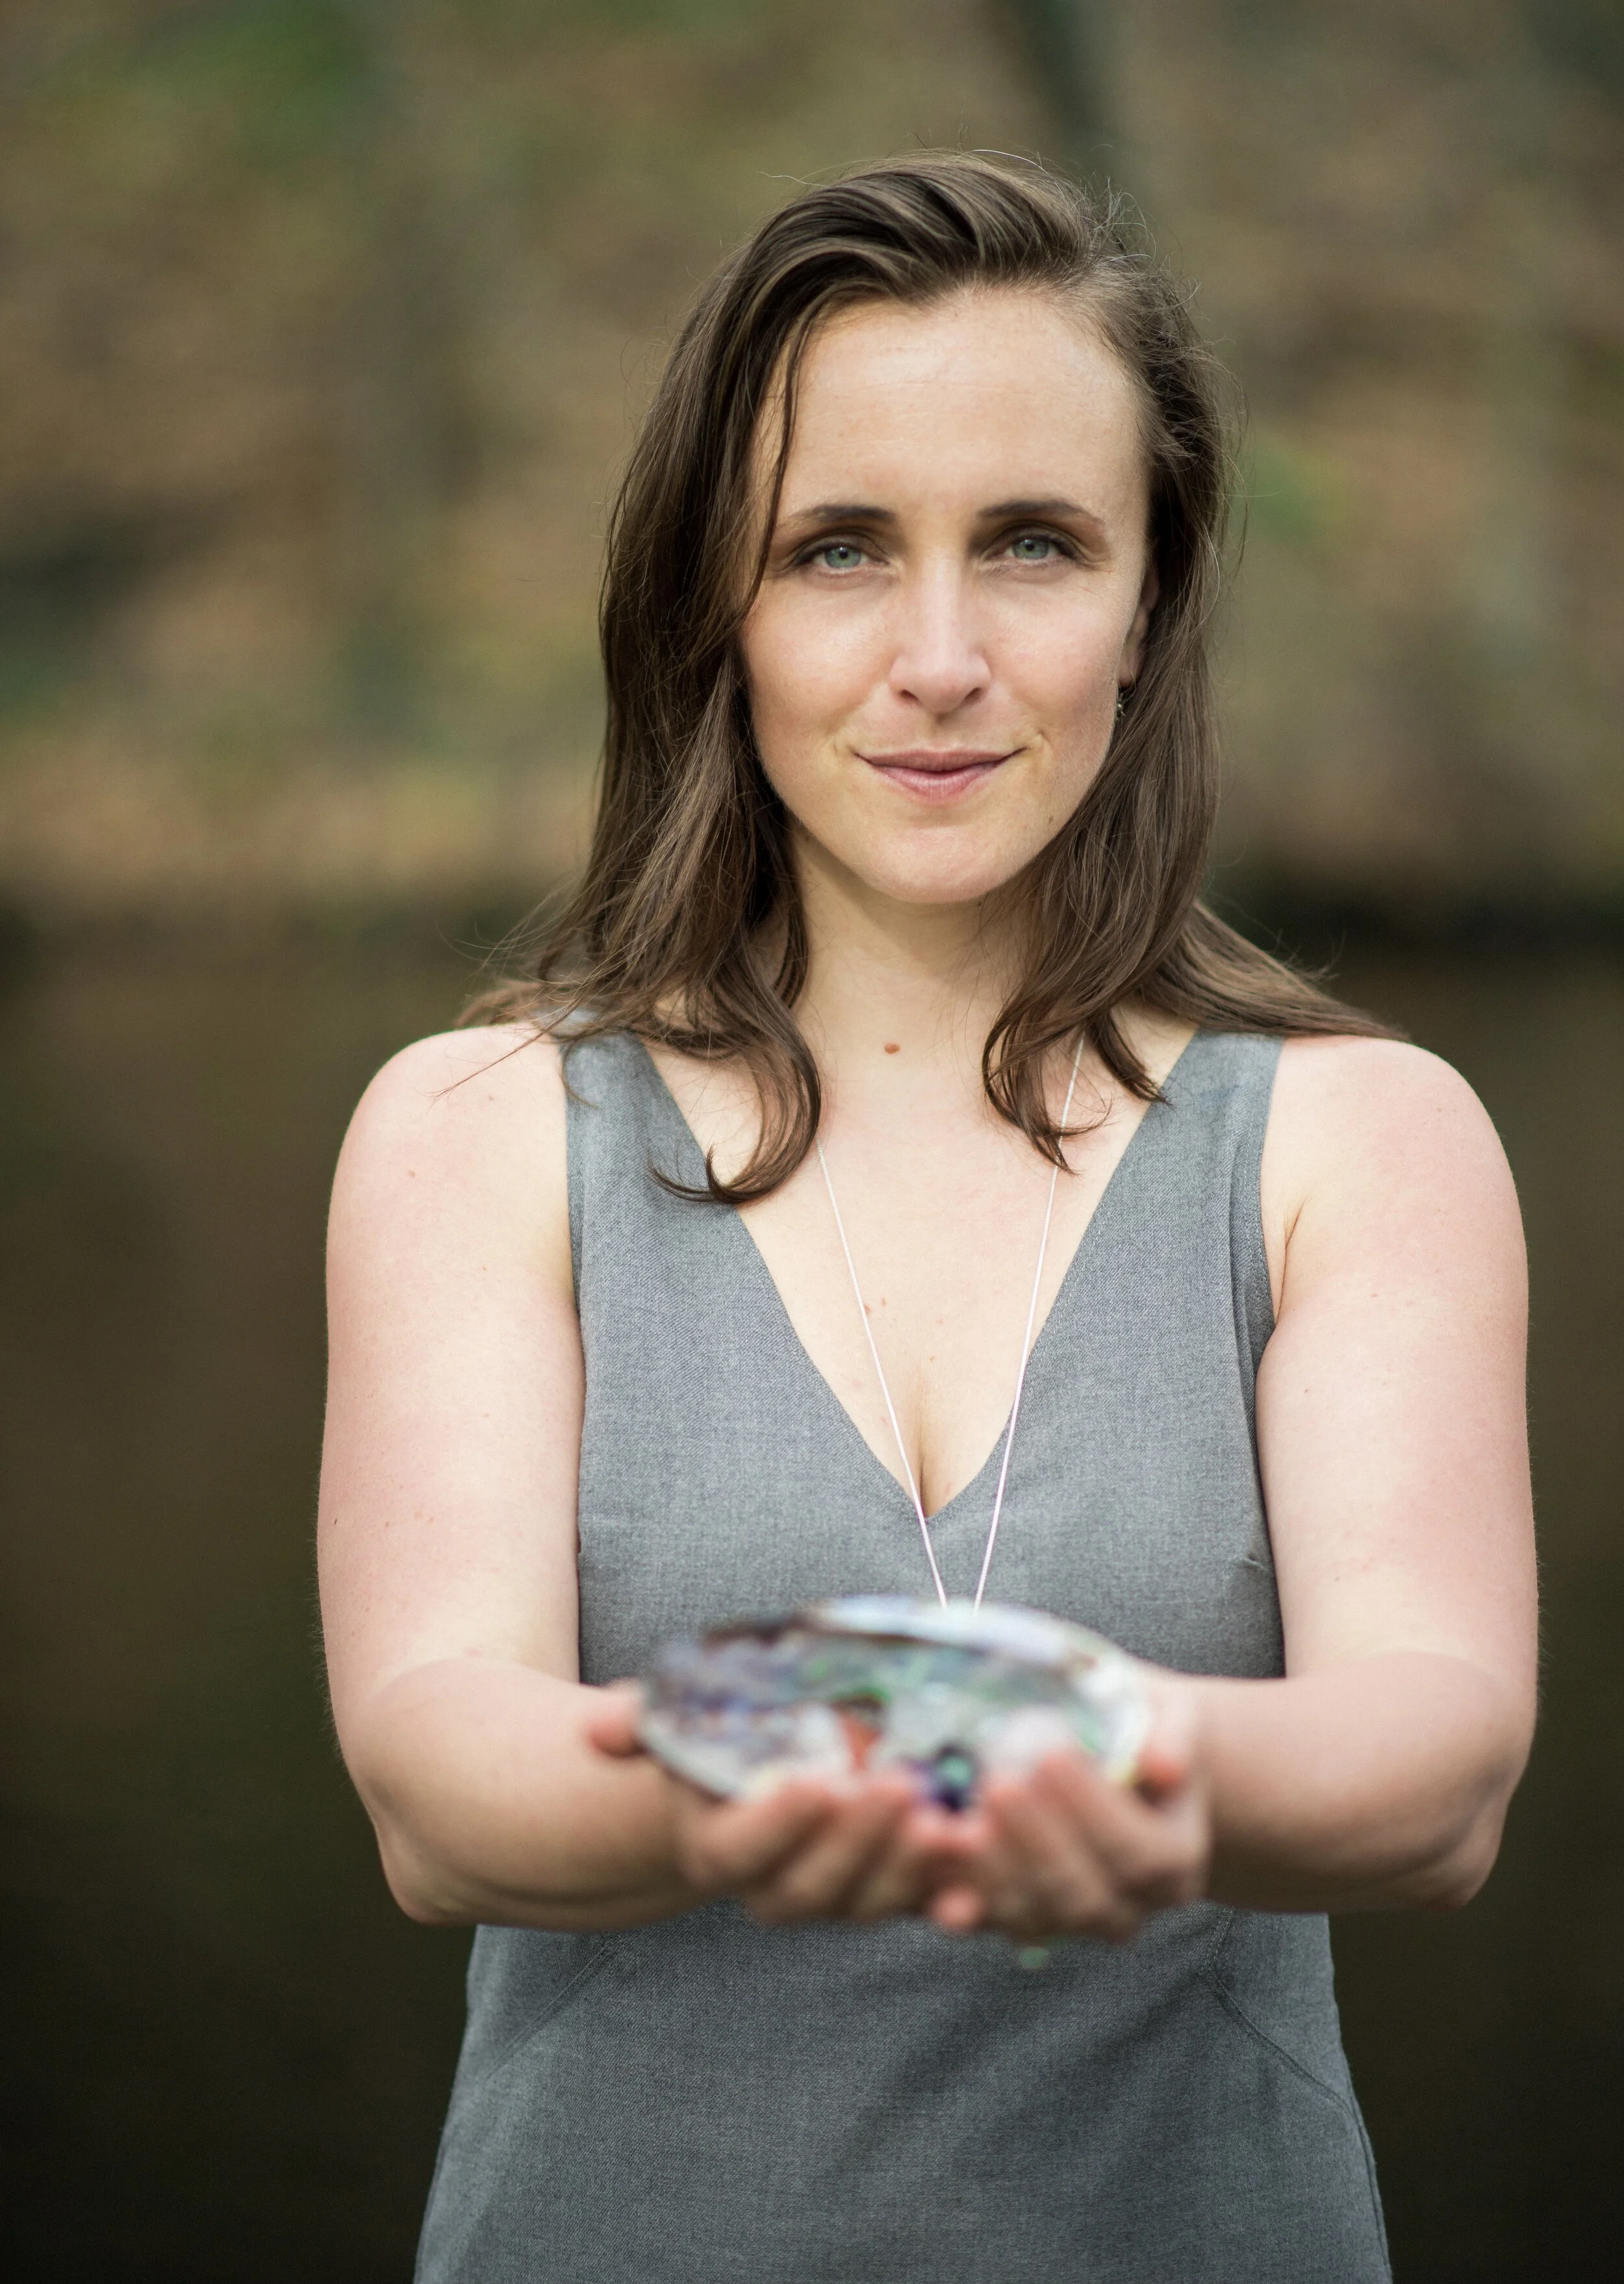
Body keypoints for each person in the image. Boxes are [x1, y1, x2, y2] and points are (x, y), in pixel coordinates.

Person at [317, 155, 1536, 2283]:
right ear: (718, 597)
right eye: (840, 550)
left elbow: (1432, 1757)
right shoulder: (476, 1126)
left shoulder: (1365, 1137)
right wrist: (796, 1779)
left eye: (1036, 546)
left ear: (1151, 598)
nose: (942, 657)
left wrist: (1075, 1753)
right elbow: (440, 1779)